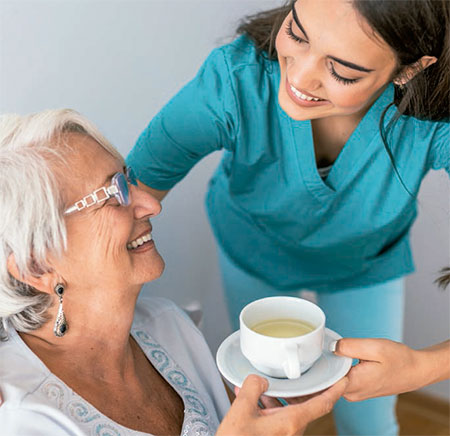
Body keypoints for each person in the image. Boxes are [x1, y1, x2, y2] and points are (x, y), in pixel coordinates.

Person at [125, 0, 449, 434]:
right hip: (253, 251)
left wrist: (422, 368)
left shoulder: (436, 122)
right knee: (266, 398)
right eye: (296, 33)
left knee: (369, 420)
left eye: (343, 71)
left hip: (366, 265)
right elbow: (129, 196)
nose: (297, 77)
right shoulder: (235, 80)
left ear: (409, 69)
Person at [0, 109, 347, 436]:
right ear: (38, 266)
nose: (152, 204)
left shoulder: (168, 326)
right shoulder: (22, 420)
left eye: (128, 179)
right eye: (113, 193)